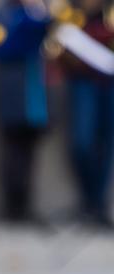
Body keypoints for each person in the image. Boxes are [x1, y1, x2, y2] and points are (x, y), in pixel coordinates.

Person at [0, 0, 53, 223]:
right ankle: (13, 208)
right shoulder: (6, 12)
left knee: (28, 152)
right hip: (13, 93)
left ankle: (25, 206)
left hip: (34, 94)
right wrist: (33, 17)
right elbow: (4, 48)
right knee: (13, 152)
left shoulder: (37, 11)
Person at [60, 0, 114, 228]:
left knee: (107, 144)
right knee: (82, 143)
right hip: (82, 81)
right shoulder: (72, 10)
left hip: (109, 82)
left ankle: (97, 204)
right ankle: (88, 200)